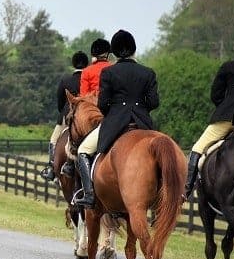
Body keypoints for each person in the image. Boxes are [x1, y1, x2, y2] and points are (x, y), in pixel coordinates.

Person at [74, 30, 159, 208]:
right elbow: (153, 102)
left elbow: (103, 104)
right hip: (143, 123)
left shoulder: (109, 73)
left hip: (115, 123)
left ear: (114, 52)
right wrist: (140, 109)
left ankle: (89, 196)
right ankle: (172, 192)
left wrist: (115, 111)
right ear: (134, 50)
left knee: (83, 150)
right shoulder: (148, 73)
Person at [184, 57, 234, 199]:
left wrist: (225, 107)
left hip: (229, 118)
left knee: (197, 148)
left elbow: (216, 95)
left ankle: (185, 191)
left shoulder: (229, 66)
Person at [40, 51, 88, 181]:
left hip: (67, 115)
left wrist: (64, 112)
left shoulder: (65, 79)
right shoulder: (87, 79)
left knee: (54, 139)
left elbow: (60, 102)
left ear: (73, 64)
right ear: (86, 64)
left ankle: (51, 168)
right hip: (85, 117)